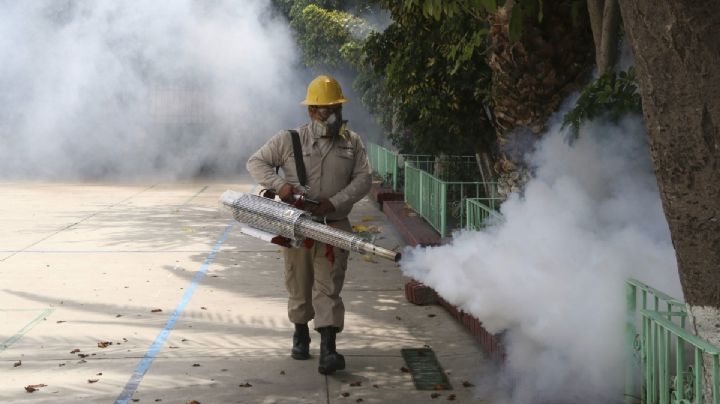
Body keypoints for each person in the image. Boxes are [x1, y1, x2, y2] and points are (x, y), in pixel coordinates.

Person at [246, 75, 372, 374]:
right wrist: (280, 186)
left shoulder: (352, 143)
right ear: (310, 111)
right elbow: (255, 162)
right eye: (322, 109)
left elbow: (364, 179)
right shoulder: (289, 139)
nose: (329, 116)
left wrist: (336, 201)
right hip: (296, 226)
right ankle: (300, 334)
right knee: (298, 282)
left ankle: (329, 349)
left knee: (329, 287)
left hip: (333, 224)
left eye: (334, 109)